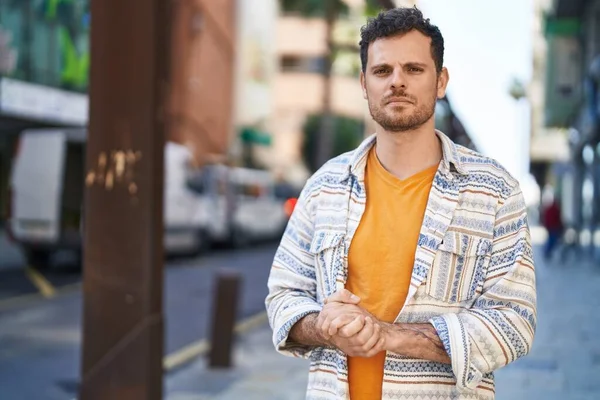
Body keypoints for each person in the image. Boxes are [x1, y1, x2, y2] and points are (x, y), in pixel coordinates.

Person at [265, 7, 536, 400]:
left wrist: (388, 336)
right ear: (363, 82)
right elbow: (283, 296)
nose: (397, 82)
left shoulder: (494, 191)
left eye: (413, 69)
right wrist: (323, 326)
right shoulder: (325, 185)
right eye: (382, 71)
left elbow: (514, 323)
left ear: (440, 81)